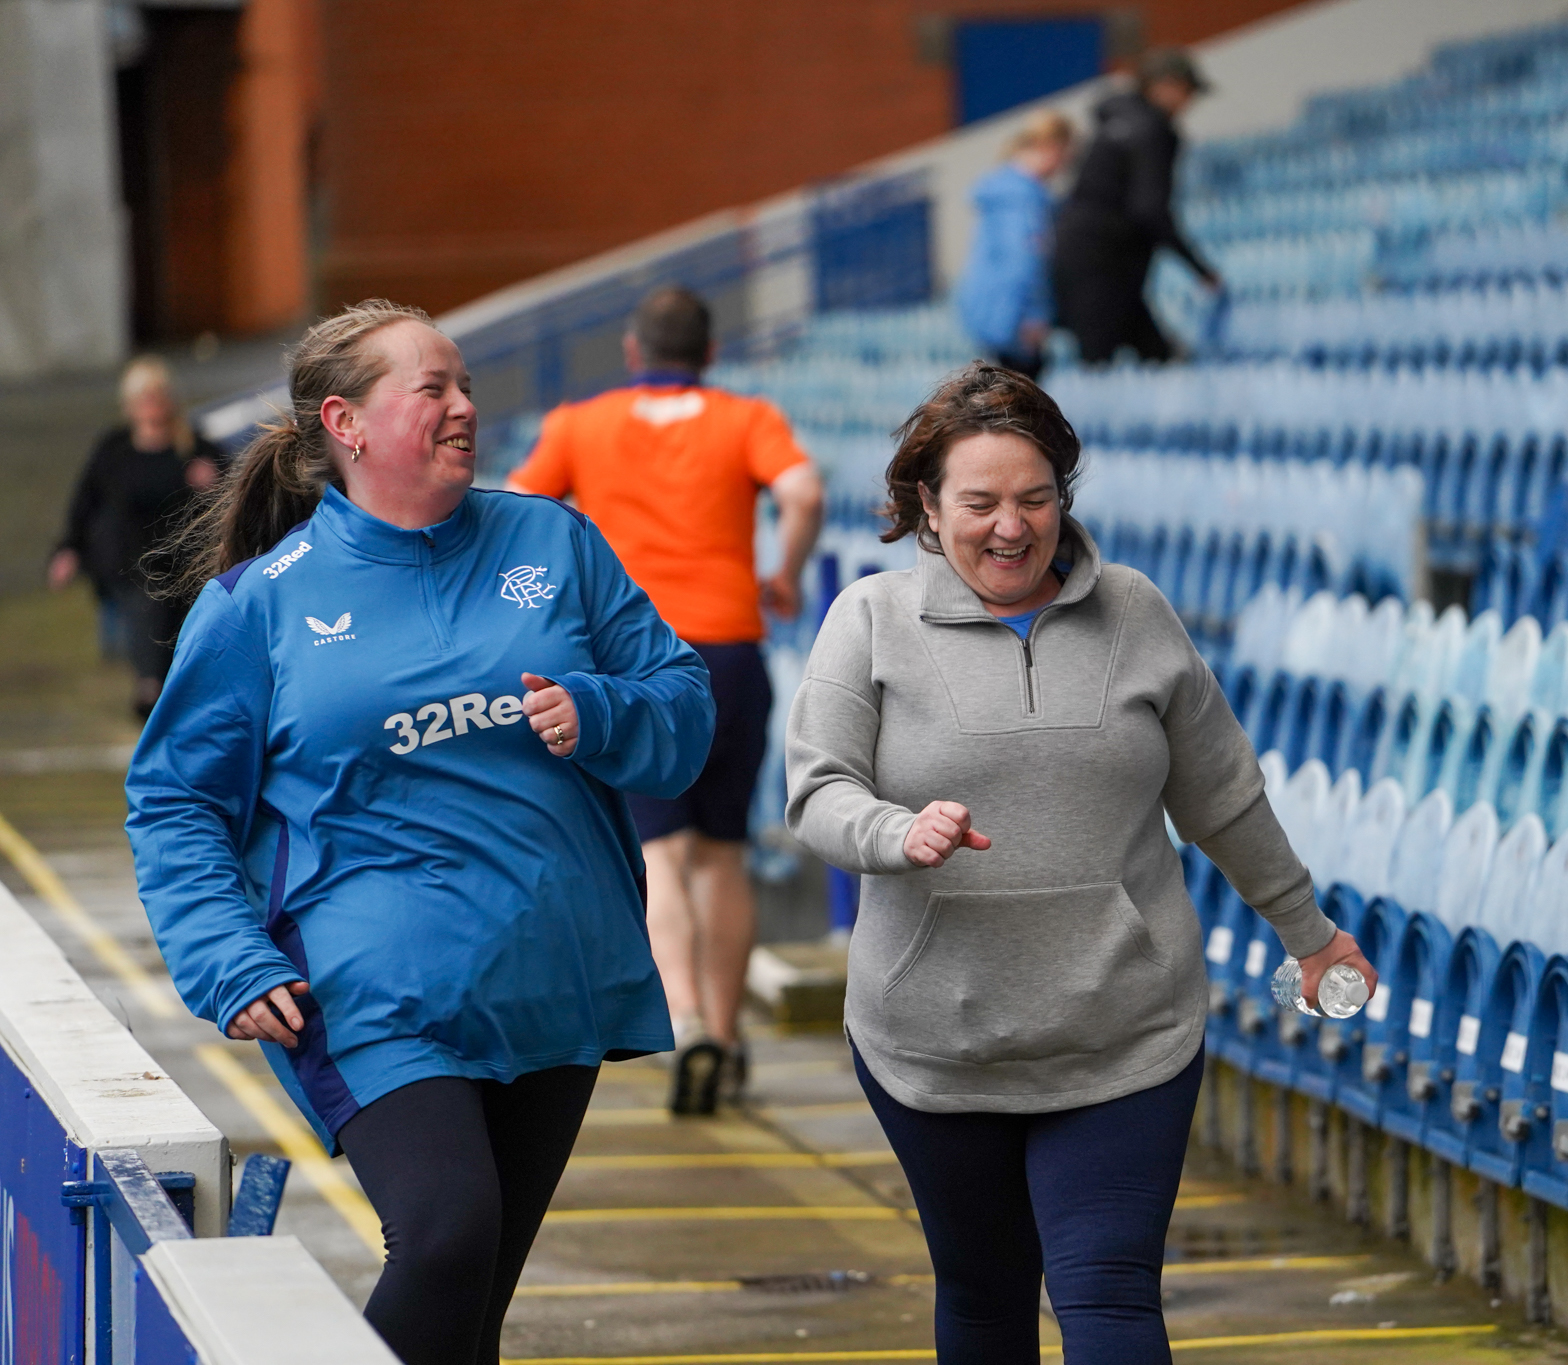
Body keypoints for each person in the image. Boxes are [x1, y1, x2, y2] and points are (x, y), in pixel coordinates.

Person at [128, 301, 715, 1365]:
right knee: (445, 1238)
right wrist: (226, 956)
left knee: (470, 1308)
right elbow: (175, 802)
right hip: (370, 992)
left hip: (551, 974)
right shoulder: (258, 604)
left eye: (466, 386)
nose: (463, 407)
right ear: (345, 423)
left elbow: (680, 707)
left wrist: (603, 712)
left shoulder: (554, 539)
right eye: (432, 388)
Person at [782, 362, 1376, 1364]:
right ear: (926, 505)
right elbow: (815, 791)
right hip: (935, 1043)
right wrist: (896, 833)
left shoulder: (1135, 615)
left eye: (1034, 499)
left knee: (1106, 1294)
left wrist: (1307, 936)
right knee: (982, 1297)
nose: (1009, 527)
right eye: (979, 503)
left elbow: (1221, 795)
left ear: (1063, 497)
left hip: (1123, 1030)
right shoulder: (870, 621)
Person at [508, 285, 824, 1114]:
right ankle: (724, 1028)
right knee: (724, 851)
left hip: (637, 661)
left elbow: (513, 509)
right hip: (730, 650)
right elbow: (804, 493)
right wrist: (785, 571)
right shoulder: (745, 417)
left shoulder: (578, 424)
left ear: (631, 350)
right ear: (710, 351)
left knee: (661, 855)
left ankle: (683, 1022)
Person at [51, 356, 225, 717]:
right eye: (142, 398)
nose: (151, 406)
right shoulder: (114, 450)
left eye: (157, 396)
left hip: (186, 564)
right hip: (129, 564)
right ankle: (150, 684)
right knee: (150, 603)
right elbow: (85, 502)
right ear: (129, 404)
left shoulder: (197, 450)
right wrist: (67, 549)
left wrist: (214, 484)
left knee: (179, 615)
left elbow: (233, 501)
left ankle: (161, 688)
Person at [1051, 48, 1222, 365]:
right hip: (1110, 264)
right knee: (1107, 365)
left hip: (1078, 252)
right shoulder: (1153, 131)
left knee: (1144, 353)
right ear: (1165, 85)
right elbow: (1150, 209)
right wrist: (1198, 268)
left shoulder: (1116, 120)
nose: (1190, 102)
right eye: (1188, 91)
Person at [954, 110, 1073, 379]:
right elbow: (1022, 261)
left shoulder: (1005, 193)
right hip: (1013, 318)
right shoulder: (1022, 200)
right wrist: (1032, 316)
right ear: (1052, 149)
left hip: (993, 312)